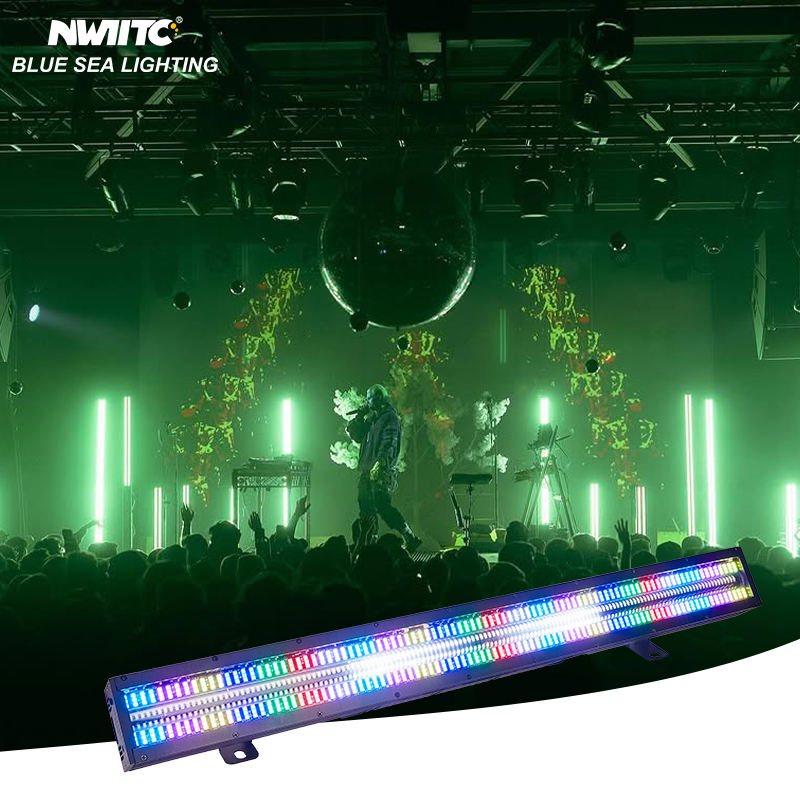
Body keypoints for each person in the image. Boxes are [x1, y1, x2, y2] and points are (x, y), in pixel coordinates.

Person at [346, 384, 421, 552]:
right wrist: (360, 417)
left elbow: (389, 443)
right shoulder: (373, 418)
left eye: (370, 398)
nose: (368, 401)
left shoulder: (389, 417)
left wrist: (380, 464)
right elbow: (354, 434)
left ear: (379, 398)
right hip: (367, 470)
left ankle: (410, 537)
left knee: (382, 506)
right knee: (365, 508)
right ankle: (368, 543)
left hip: (381, 471)